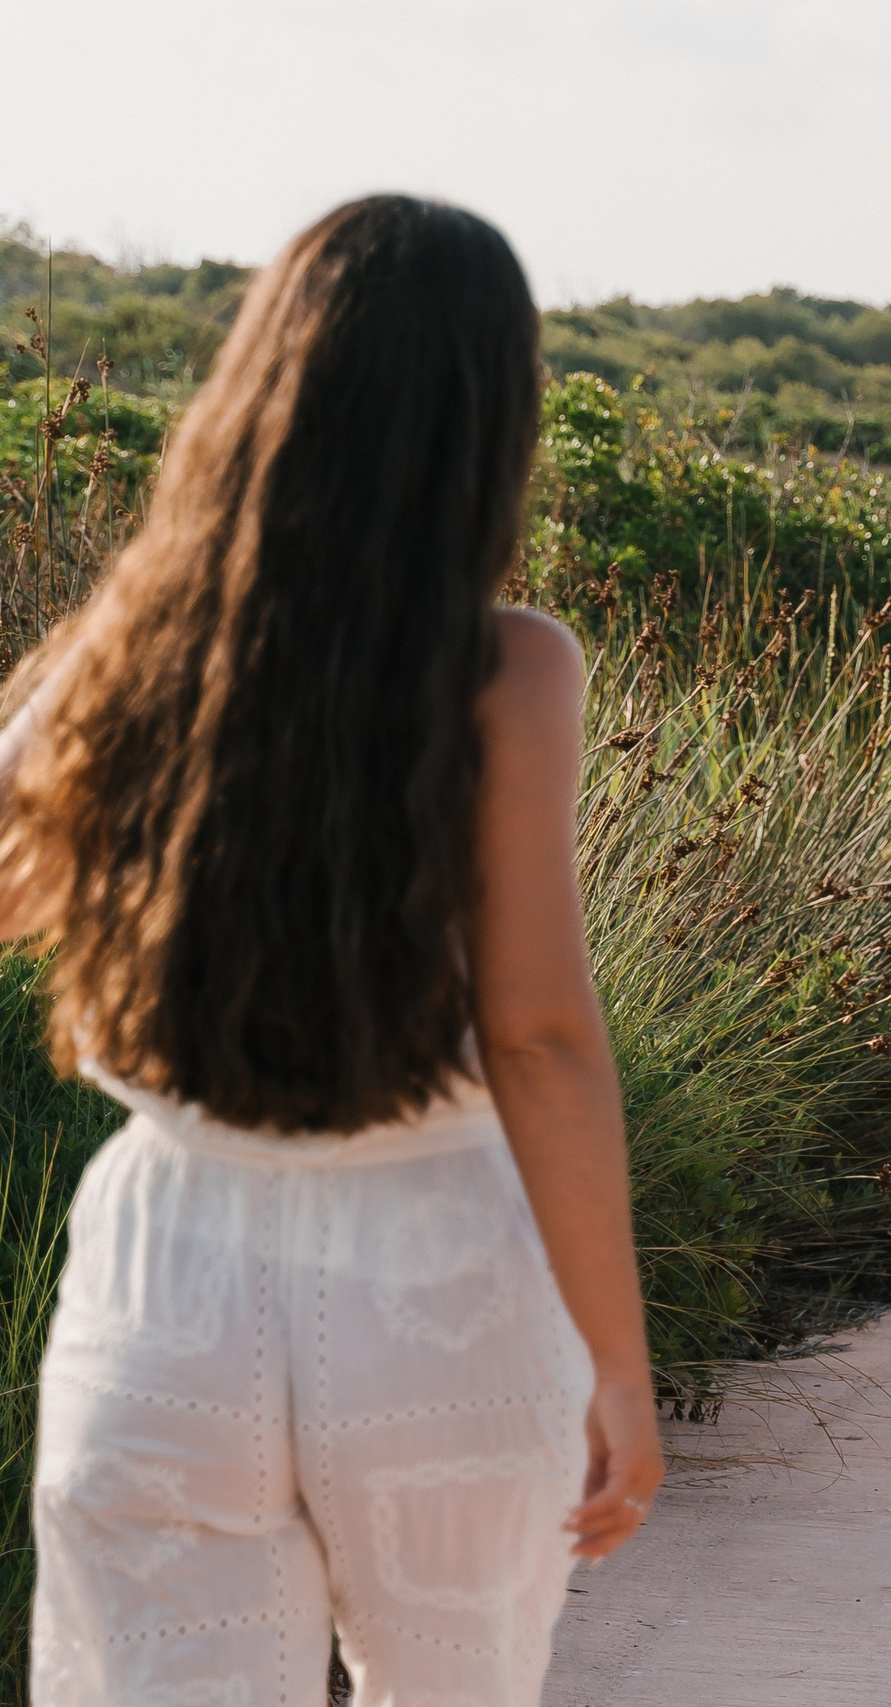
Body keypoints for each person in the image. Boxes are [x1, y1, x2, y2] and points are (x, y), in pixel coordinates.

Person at [6, 196, 662, 1703]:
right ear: (491, 419)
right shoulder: (510, 670)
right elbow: (540, 1037)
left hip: (170, 1268)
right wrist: (618, 1363)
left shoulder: (137, 645)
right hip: (436, 1281)